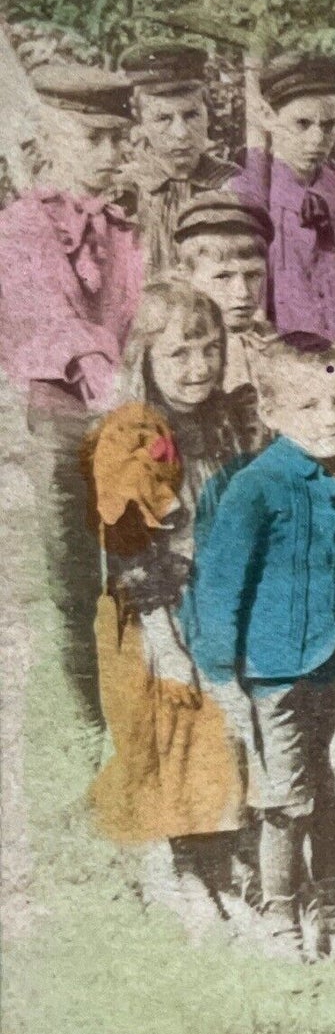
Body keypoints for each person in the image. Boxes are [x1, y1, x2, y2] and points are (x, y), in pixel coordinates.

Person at [188, 343, 335, 956]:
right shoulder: (255, 487)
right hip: (277, 675)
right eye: (309, 404)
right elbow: (218, 589)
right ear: (271, 408)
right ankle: (283, 921)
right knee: (286, 800)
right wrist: (221, 676)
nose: (330, 416)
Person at [82, 281, 260, 935]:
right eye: (180, 353)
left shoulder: (222, 424)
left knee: (229, 738)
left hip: (219, 605)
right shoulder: (137, 434)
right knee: (179, 733)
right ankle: (182, 870)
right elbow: (129, 551)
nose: (199, 368)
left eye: (210, 350)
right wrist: (163, 637)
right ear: (147, 358)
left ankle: (222, 864)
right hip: (157, 609)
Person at [0, 63, 145, 754]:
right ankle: (90, 721)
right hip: (60, 414)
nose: (113, 155)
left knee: (136, 561)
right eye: (96, 138)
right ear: (54, 136)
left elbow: (141, 316)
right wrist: (99, 374)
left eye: (121, 139)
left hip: (124, 412)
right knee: (72, 571)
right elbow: (46, 317)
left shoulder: (127, 232)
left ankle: (140, 701)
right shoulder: (20, 228)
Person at [227, 51, 335, 350]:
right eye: (302, 124)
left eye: (329, 125)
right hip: (277, 362)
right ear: (268, 117)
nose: (317, 140)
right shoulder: (243, 196)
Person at [119, 41, 237, 275]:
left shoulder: (232, 185)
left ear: (208, 113)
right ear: (140, 121)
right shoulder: (123, 192)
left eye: (191, 115)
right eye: (163, 118)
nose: (181, 133)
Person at [172, 191, 278, 424]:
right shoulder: (173, 352)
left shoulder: (275, 347)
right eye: (223, 276)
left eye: (253, 275)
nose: (242, 292)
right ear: (184, 277)